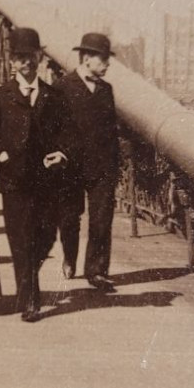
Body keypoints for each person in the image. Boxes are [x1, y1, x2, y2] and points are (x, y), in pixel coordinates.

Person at [0, 28, 67, 322]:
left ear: (39, 58)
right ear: (12, 62)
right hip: (13, 180)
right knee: (20, 238)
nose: (25, 64)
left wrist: (62, 153)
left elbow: (69, 134)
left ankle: (28, 280)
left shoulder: (54, 96)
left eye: (30, 57)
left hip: (46, 180)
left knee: (47, 235)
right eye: (19, 58)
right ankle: (30, 298)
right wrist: (1, 156)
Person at [57, 32, 121, 289]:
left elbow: (112, 131)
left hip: (102, 166)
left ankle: (96, 271)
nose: (107, 64)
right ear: (86, 58)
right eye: (103, 59)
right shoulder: (63, 86)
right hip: (71, 166)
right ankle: (69, 257)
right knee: (70, 217)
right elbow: (54, 128)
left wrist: (115, 165)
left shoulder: (107, 90)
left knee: (102, 218)